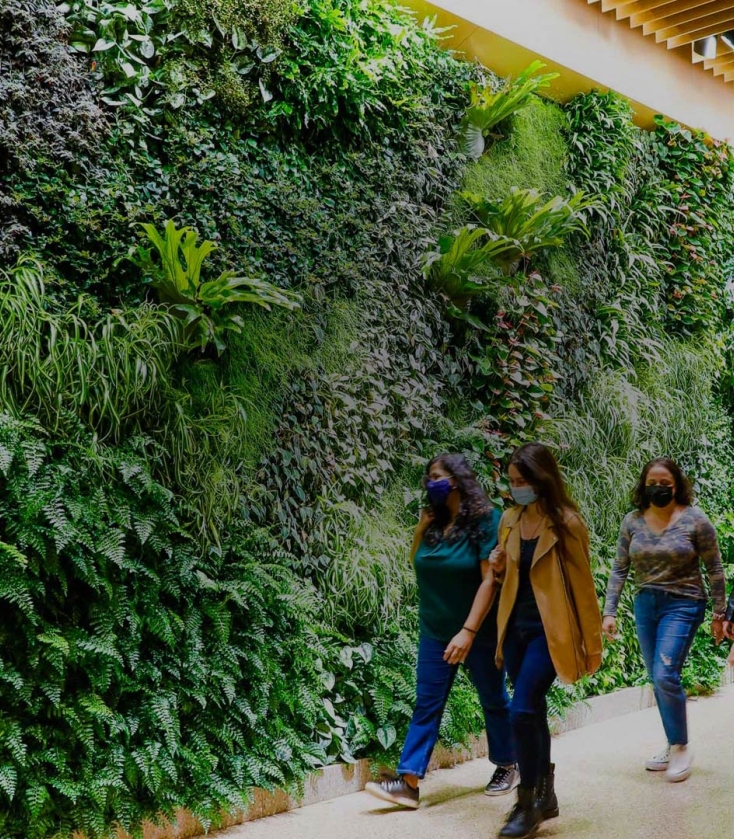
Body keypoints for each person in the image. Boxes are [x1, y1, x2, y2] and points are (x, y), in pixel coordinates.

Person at [364, 453, 517, 810]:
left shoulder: (485, 519)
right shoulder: (434, 523)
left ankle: (508, 764)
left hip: (479, 631)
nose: (430, 483)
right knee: (427, 703)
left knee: (493, 699)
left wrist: (467, 631)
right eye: (428, 477)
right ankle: (409, 783)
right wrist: (420, 528)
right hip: (434, 630)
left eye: (437, 476)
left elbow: (489, 581)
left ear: (457, 479)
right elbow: (418, 563)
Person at [489, 442, 602, 839]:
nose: (516, 487)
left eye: (523, 481)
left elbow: (583, 589)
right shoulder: (508, 521)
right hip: (515, 629)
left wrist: (591, 645)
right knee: (531, 709)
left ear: (542, 479)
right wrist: (498, 567)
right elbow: (506, 581)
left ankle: (527, 803)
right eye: (512, 481)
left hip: (548, 633)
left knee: (521, 710)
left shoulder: (567, 523)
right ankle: (547, 795)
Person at [602, 457, 726, 784]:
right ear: (644, 486)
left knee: (664, 672)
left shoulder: (695, 520)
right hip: (645, 604)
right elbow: (619, 568)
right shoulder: (632, 521)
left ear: (676, 485)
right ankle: (673, 743)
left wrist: (719, 613)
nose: (658, 488)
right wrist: (609, 611)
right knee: (657, 677)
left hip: (684, 603)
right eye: (652, 483)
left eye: (664, 484)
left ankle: (681, 746)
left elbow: (714, 569)